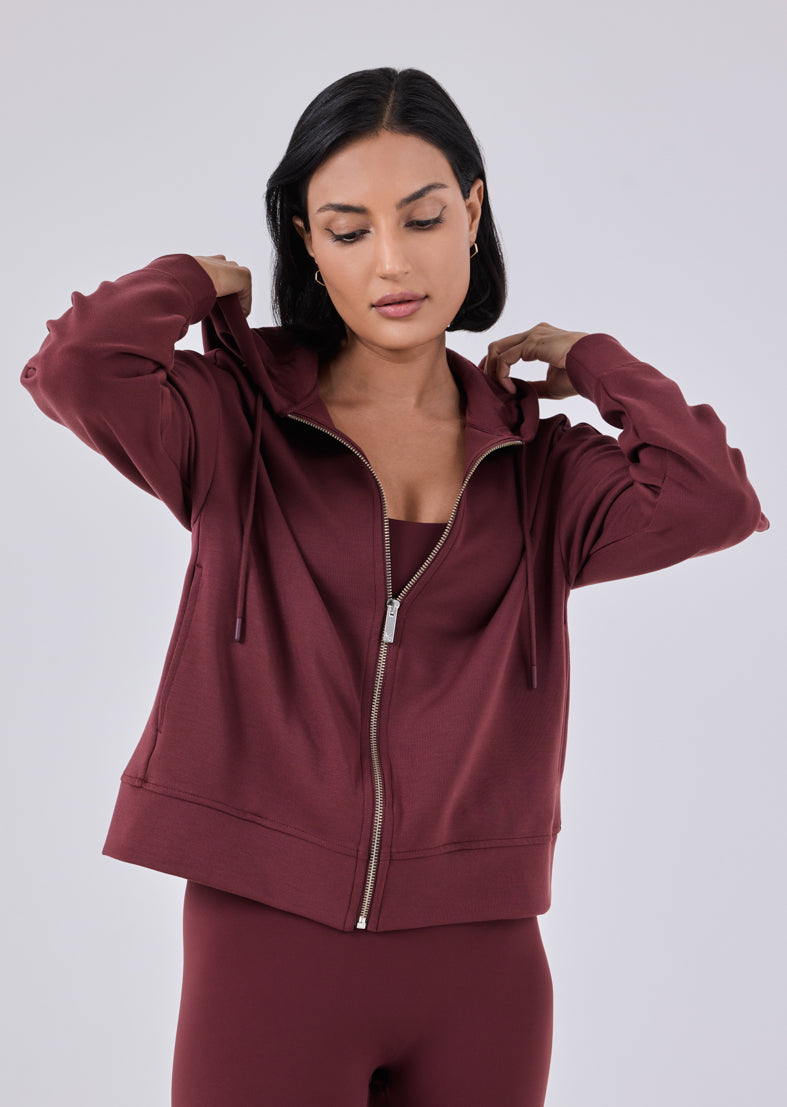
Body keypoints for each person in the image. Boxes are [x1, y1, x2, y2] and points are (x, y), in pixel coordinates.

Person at [20, 66, 768, 1107]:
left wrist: (593, 361)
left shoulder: (541, 466)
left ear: (472, 212)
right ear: (305, 242)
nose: (391, 262)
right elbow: (75, 371)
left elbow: (711, 501)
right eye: (347, 229)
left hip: (484, 962)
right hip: (267, 942)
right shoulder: (235, 422)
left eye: (421, 219)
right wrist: (189, 278)